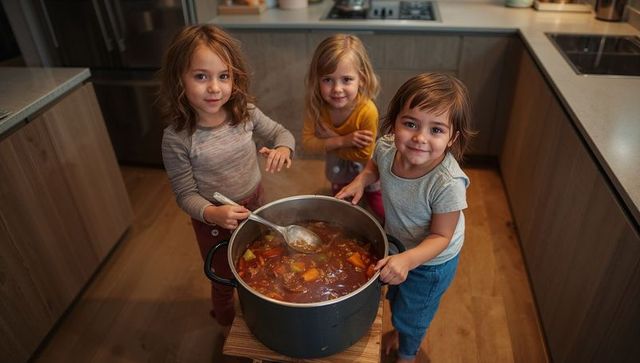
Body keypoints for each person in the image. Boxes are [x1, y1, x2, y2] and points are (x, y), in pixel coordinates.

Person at [159, 25, 295, 331]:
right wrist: (211, 213)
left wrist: (284, 148)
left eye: (224, 76)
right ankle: (227, 325)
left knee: (261, 257)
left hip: (255, 200)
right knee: (223, 277)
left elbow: (280, 133)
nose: (215, 88)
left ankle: (260, 313)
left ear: (236, 78)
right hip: (214, 221)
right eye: (201, 76)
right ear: (178, 79)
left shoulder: (244, 113)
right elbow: (184, 194)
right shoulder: (177, 138)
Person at [336, 73, 474, 363]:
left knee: (415, 313)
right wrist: (362, 180)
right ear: (394, 122)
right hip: (401, 243)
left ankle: (408, 354)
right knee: (398, 298)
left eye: (436, 130)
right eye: (410, 123)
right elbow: (375, 165)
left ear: (453, 138)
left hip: (432, 263)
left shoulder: (447, 182)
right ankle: (399, 330)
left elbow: (441, 237)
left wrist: (409, 260)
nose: (419, 138)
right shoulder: (387, 147)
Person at [302, 34, 385, 223]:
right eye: (328, 80)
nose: (337, 89)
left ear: (361, 79)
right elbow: (307, 144)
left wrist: (329, 139)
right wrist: (344, 140)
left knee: (380, 210)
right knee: (342, 212)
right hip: (338, 172)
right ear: (317, 80)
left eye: (346, 79)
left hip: (369, 173)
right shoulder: (316, 107)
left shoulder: (367, 111)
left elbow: (365, 155)